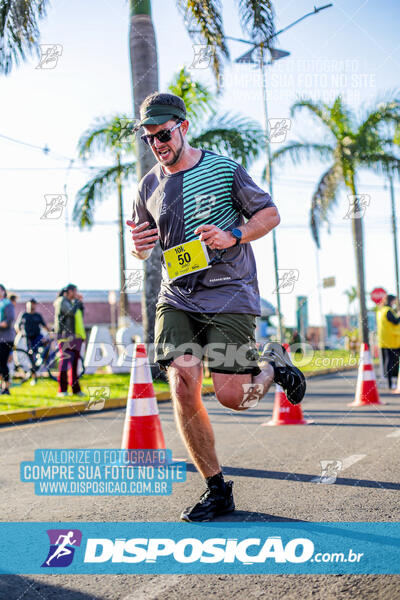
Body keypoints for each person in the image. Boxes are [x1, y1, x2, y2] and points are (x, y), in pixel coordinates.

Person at [127, 92, 306, 522]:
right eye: (150, 138)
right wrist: (135, 247)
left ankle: (271, 365)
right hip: (177, 295)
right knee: (183, 381)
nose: (158, 144)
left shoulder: (224, 169)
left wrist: (234, 235)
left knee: (232, 396)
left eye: (164, 135)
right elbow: (139, 243)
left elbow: (270, 214)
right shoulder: (148, 184)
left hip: (229, 290)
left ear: (183, 127)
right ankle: (216, 488)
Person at [53, 284, 85, 397]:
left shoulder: (72, 302)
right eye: (75, 292)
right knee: (65, 363)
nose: (76, 294)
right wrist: (77, 301)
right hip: (65, 337)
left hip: (75, 337)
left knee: (74, 365)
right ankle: (62, 390)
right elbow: (70, 312)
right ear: (69, 291)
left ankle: (76, 390)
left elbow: (80, 314)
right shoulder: (61, 301)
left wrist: (79, 302)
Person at [15, 299, 50, 385]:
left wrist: (50, 334)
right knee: (31, 357)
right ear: (27, 305)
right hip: (28, 338)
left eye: (34, 304)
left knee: (45, 346)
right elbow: (17, 325)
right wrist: (20, 333)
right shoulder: (24, 314)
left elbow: (45, 326)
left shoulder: (38, 315)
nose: (32, 306)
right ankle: (34, 376)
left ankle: (41, 359)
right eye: (30, 304)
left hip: (38, 337)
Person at [377, 294, 400, 389]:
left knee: (388, 361)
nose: (395, 303)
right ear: (391, 301)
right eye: (394, 301)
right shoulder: (388, 311)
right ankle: (391, 383)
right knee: (390, 361)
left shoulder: (381, 311)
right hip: (392, 340)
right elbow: (395, 321)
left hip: (384, 340)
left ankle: (390, 383)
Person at [0, 284, 15, 395]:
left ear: (4, 291)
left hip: (6, 339)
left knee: (3, 364)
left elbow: (7, 322)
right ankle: (2, 387)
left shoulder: (7, 304)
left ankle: (6, 388)